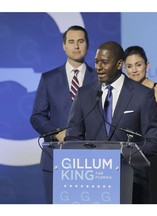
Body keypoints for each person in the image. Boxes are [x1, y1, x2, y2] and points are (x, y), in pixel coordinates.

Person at [65, 41, 157, 204]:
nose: (99, 67)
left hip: (131, 182)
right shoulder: (84, 94)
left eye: (104, 62)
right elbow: (72, 138)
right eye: (97, 62)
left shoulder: (142, 95)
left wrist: (121, 153)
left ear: (119, 64)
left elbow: (155, 141)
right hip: (93, 182)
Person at [30, 25, 97, 203]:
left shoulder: (100, 78)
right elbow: (37, 116)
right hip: (56, 156)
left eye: (80, 41)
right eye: (71, 41)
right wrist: (57, 133)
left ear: (87, 46)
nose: (76, 46)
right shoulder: (48, 78)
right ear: (64, 46)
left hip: (93, 159)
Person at [123, 45, 157, 204]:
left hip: (154, 154)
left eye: (138, 65)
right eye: (129, 66)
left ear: (147, 65)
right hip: (129, 153)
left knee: (154, 201)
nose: (134, 70)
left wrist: (147, 103)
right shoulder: (121, 92)